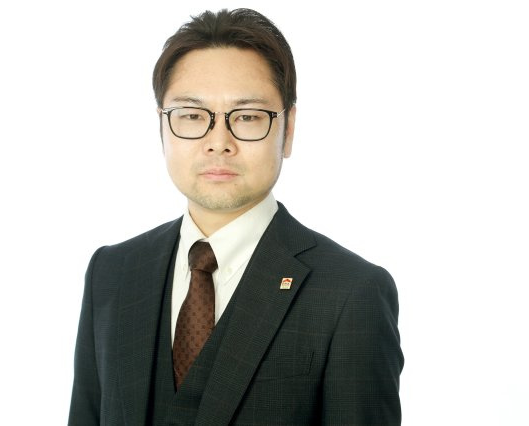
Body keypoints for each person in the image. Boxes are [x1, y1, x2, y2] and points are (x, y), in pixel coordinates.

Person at [68, 8, 403, 425]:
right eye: (192, 115)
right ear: (162, 127)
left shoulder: (351, 293)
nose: (218, 142)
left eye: (246, 117)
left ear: (288, 129)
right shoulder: (112, 273)